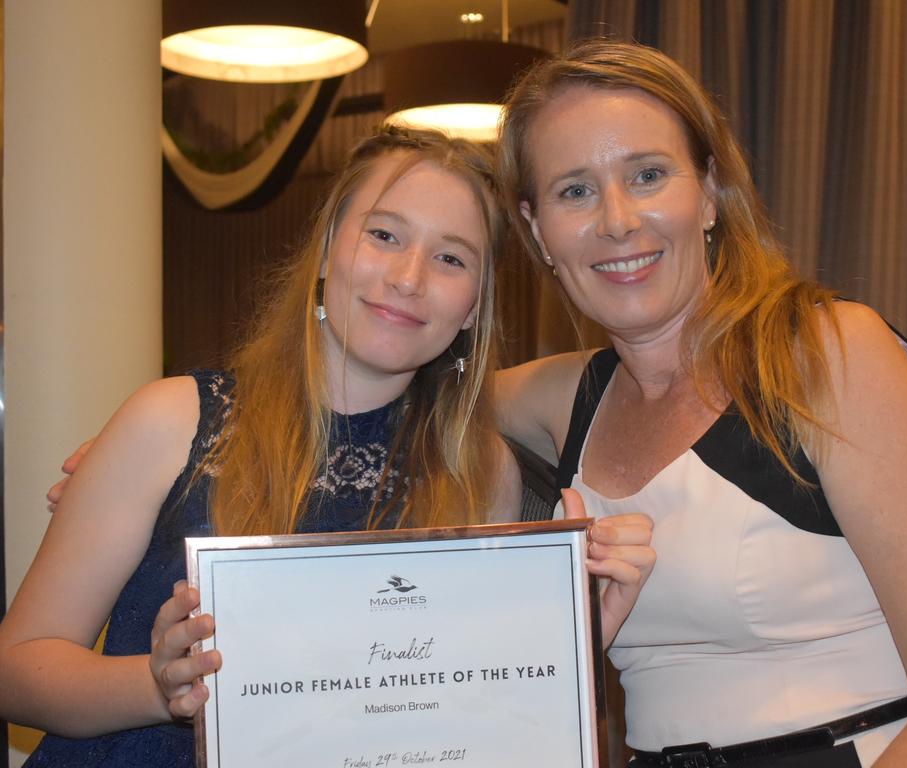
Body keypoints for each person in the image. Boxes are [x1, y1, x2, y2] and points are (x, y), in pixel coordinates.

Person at [0, 124, 655, 767]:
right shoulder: (173, 420)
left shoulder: (479, 472)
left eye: (451, 258)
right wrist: (155, 684)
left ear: (475, 306)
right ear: (323, 252)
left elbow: (459, 718)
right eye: (384, 234)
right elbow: (18, 668)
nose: (407, 277)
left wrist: (571, 642)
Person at [493, 40, 907, 768]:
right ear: (537, 232)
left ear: (709, 194)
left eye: (648, 175)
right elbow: (423, 388)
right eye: (574, 191)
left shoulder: (828, 356)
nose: (616, 221)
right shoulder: (566, 398)